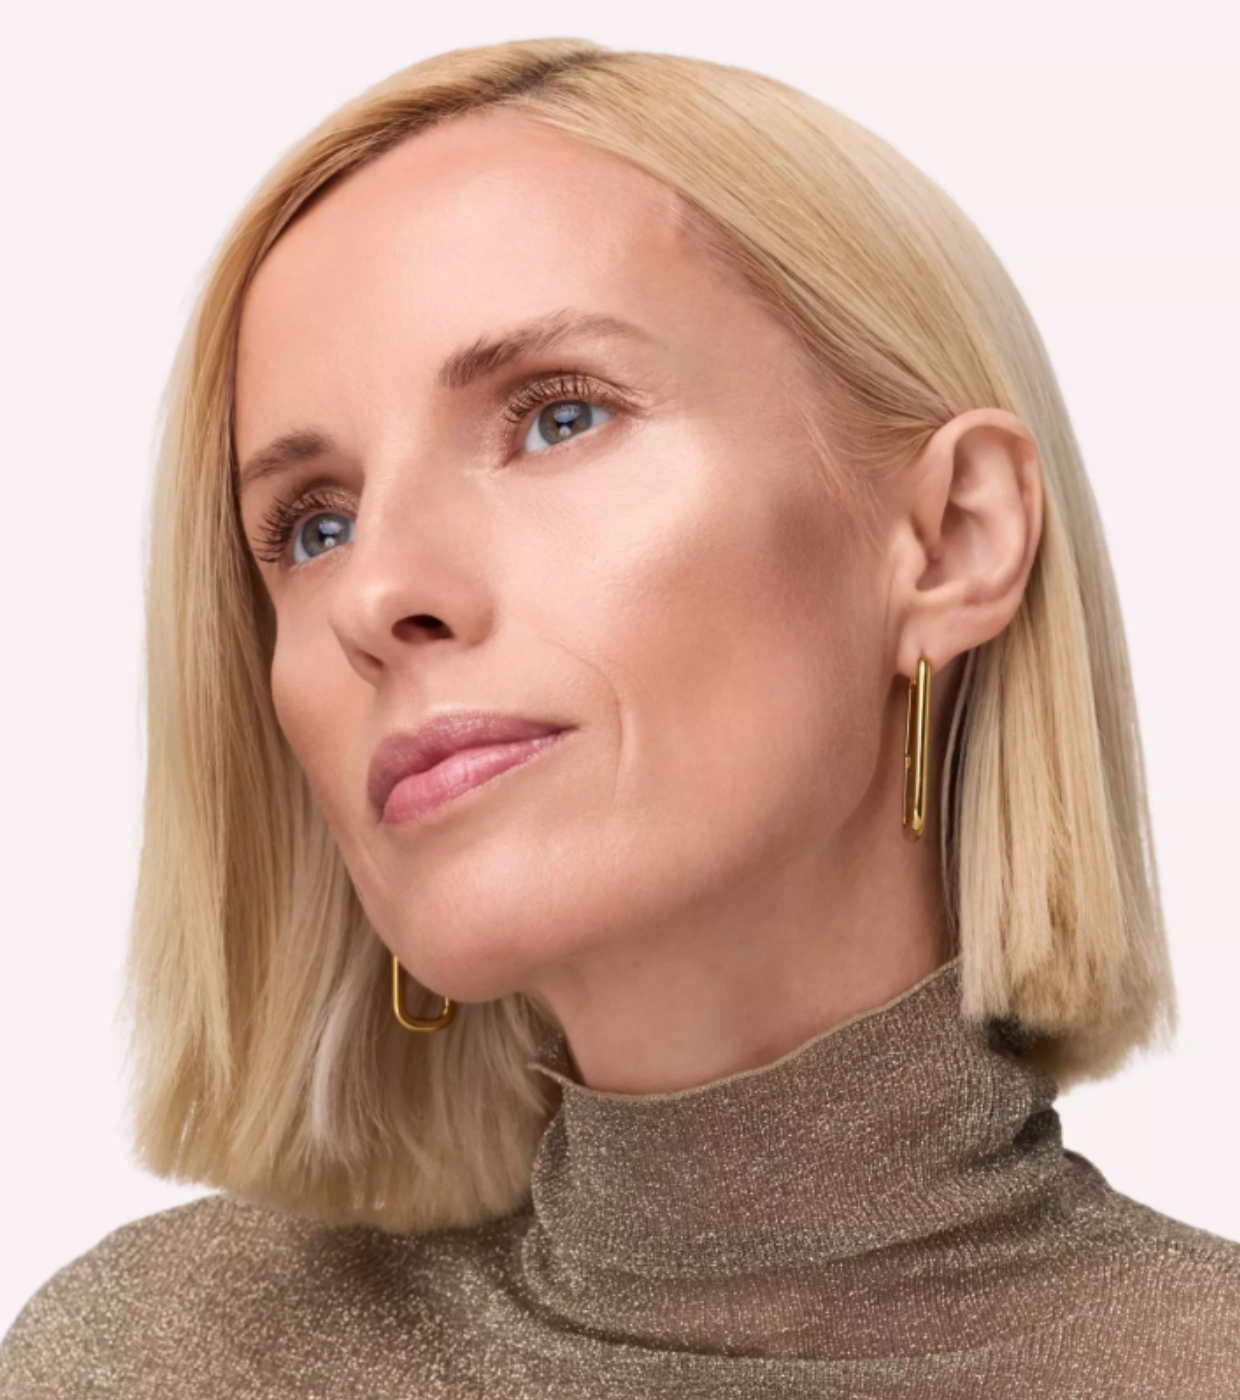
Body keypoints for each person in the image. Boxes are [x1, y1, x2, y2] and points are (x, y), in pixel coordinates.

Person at [2, 34, 1237, 1399]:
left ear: (953, 539)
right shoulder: (168, 1361)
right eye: (315, 524)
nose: (377, 592)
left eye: (559, 418)